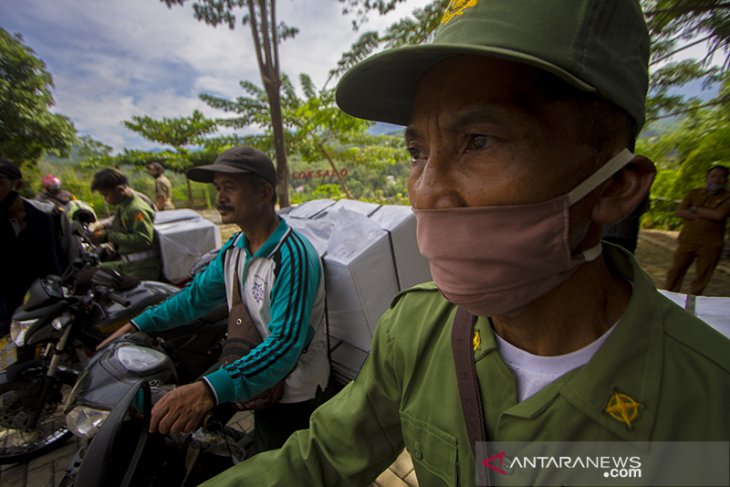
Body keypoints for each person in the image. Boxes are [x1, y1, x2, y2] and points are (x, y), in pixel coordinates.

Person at [202, 1, 730, 486]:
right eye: (416, 150)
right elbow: (319, 460)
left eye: (480, 141)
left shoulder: (708, 401)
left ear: (616, 187)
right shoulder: (414, 330)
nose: (425, 190)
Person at [98, 146, 329, 454]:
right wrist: (139, 323)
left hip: (295, 390)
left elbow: (286, 343)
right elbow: (193, 299)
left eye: (230, 188)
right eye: (218, 188)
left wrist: (208, 390)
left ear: (263, 193)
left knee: (282, 464)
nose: (220, 197)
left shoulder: (292, 255)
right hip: (260, 376)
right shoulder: (235, 247)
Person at [0, 160, 62, 334]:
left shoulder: (42, 219)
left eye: (0, 182)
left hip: (35, 306)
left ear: (17, 185)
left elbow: (51, 263)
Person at [665, 165, 730, 295]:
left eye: (721, 177)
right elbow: (680, 212)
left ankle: (693, 302)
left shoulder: (727, 197)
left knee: (702, 276)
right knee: (676, 270)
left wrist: (695, 209)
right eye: (713, 176)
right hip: (688, 239)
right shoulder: (693, 193)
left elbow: (719, 215)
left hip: (711, 243)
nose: (717, 180)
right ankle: (668, 297)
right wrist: (708, 214)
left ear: (726, 180)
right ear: (707, 178)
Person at [89, 168, 160, 280]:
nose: (105, 199)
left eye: (106, 194)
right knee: (91, 272)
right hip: (128, 263)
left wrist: (108, 236)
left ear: (120, 189)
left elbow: (144, 240)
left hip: (142, 268)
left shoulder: (136, 209)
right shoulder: (124, 206)